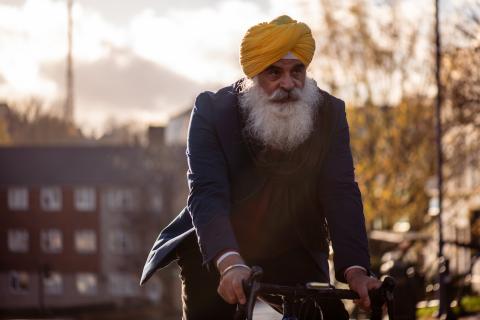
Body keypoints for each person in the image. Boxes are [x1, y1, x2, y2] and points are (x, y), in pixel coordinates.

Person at [141, 15, 380, 319]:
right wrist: (230, 263)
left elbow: (341, 193)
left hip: (295, 242)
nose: (289, 84)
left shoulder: (330, 113)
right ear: (254, 75)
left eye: (297, 71)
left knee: (330, 315)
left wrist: (356, 271)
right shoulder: (212, 113)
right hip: (220, 243)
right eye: (274, 72)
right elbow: (206, 192)